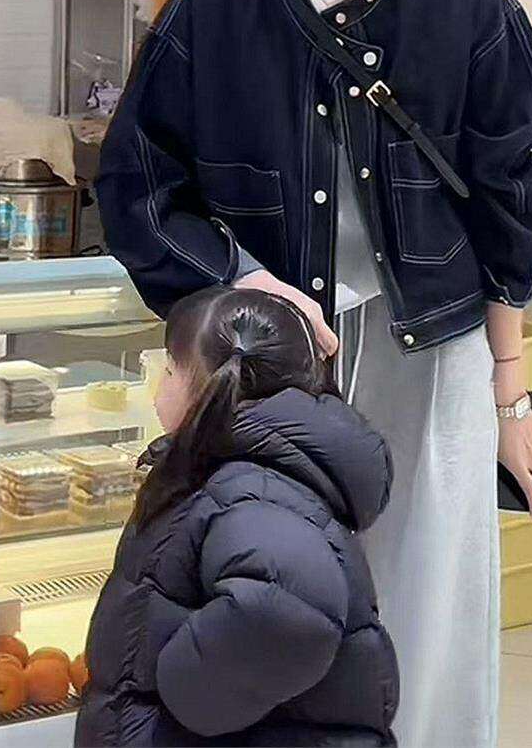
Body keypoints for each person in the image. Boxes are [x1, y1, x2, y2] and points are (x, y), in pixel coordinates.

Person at [95, 0, 532, 748]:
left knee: (432, 622)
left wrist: (510, 396)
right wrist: (247, 280)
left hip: (431, 364)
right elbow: (139, 190)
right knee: (277, 616)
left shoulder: (469, 6)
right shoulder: (214, 13)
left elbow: (510, 207)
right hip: (275, 379)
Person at [74, 285, 399, 747]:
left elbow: (286, 606)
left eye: (170, 371)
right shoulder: (234, 471)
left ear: (210, 385)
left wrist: (188, 690)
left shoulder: (252, 489)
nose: (159, 387)